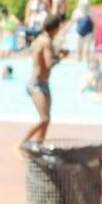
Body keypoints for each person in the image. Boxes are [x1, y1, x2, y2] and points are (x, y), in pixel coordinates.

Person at [21, 13, 66, 146]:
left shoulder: (40, 39)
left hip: (43, 83)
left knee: (46, 120)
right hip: (37, 84)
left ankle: (38, 148)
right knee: (44, 119)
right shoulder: (46, 42)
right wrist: (60, 57)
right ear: (55, 28)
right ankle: (22, 144)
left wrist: (57, 54)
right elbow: (49, 63)